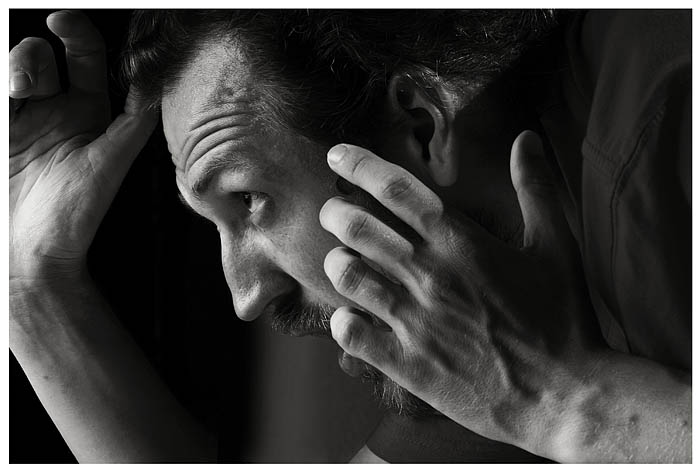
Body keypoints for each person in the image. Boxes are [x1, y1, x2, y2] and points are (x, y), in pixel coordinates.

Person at [9, 9, 690, 463]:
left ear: (420, 126)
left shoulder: (669, 121)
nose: (246, 295)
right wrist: (32, 284)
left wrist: (565, 405)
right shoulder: (488, 319)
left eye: (248, 200)